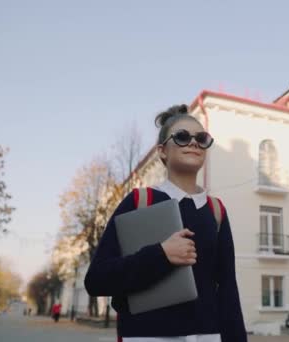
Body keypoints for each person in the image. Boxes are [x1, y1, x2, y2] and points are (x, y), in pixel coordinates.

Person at [85, 104, 247, 342]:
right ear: (162, 151)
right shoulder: (140, 201)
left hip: (208, 336)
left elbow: (228, 291)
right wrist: (161, 255)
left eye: (201, 138)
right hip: (146, 336)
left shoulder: (216, 210)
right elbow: (97, 280)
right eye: (182, 137)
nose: (193, 143)